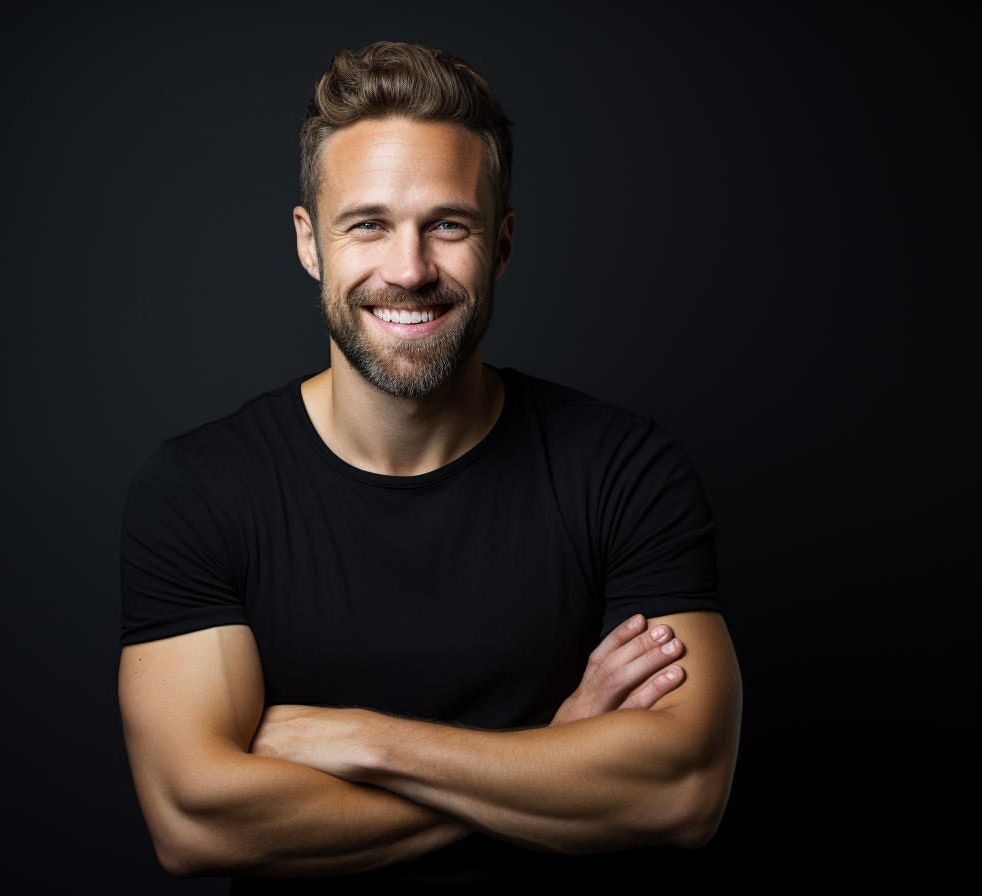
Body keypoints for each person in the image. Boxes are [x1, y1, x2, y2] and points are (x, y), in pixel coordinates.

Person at [118, 42, 742, 892]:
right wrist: (549, 761)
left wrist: (365, 743)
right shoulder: (199, 490)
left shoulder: (625, 469)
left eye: (448, 224)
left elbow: (682, 791)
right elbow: (195, 820)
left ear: (504, 244)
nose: (408, 271)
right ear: (310, 244)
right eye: (367, 223)